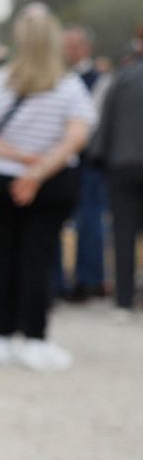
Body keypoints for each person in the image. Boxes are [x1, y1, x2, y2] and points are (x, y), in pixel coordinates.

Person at [0, 4, 95, 371]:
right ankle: (35, 338)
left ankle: (3, 337)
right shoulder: (68, 87)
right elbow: (76, 137)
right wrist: (39, 171)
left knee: (0, 256)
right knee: (39, 259)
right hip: (50, 181)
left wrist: (17, 159)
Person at [89, 20, 143, 316]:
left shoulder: (121, 78)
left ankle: (123, 300)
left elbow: (104, 120)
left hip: (122, 165)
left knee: (122, 234)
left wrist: (98, 157)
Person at [59, 26, 107, 302]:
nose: (70, 51)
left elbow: (93, 123)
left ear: (86, 48)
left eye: (75, 45)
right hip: (63, 160)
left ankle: (87, 279)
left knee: (89, 223)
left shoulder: (99, 80)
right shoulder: (60, 78)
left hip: (88, 161)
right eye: (67, 45)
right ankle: (57, 281)